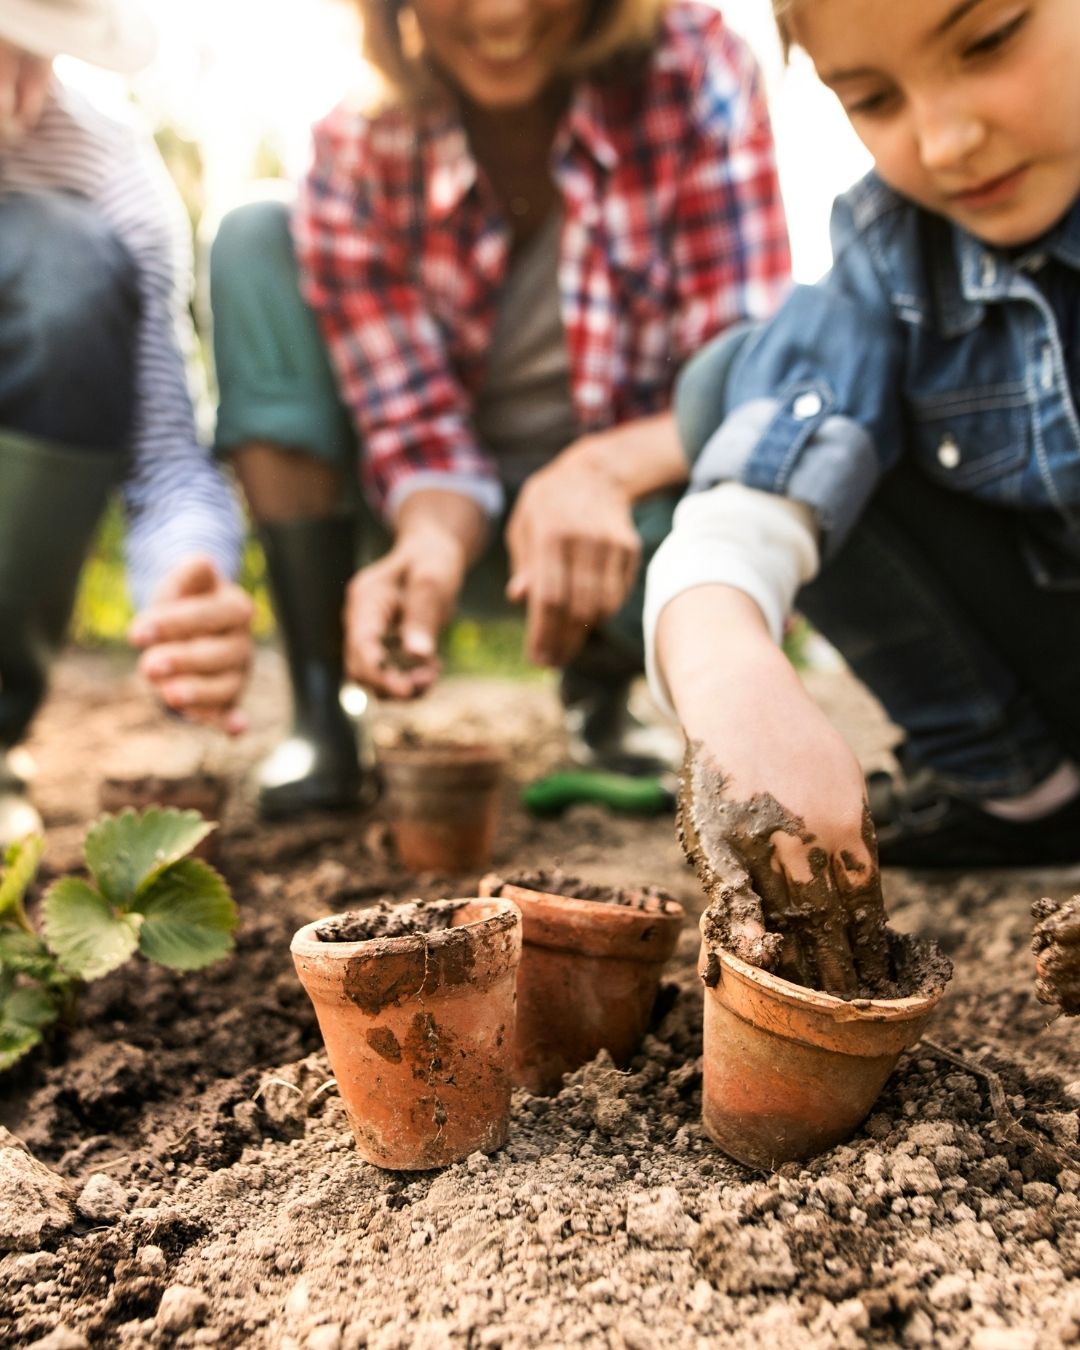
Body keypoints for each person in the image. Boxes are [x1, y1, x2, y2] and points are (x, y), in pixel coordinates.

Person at [209, 0, 791, 818]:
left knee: (765, 476)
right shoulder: (355, 145)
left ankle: (604, 685)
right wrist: (432, 538)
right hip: (447, 522)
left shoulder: (694, 64)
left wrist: (599, 472)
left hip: (634, 519)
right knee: (253, 236)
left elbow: (744, 373)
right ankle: (320, 701)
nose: (503, 10)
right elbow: (414, 427)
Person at [646, 0, 1080, 986]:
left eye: (990, 40)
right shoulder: (893, 248)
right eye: (873, 98)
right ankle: (1018, 789)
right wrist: (732, 678)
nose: (946, 139)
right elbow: (748, 500)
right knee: (730, 385)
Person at [0, 0, 253, 846]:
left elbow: (167, 459)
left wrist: (190, 571)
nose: (10, 95)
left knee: (65, 269)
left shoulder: (104, 164)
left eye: (31, 52)